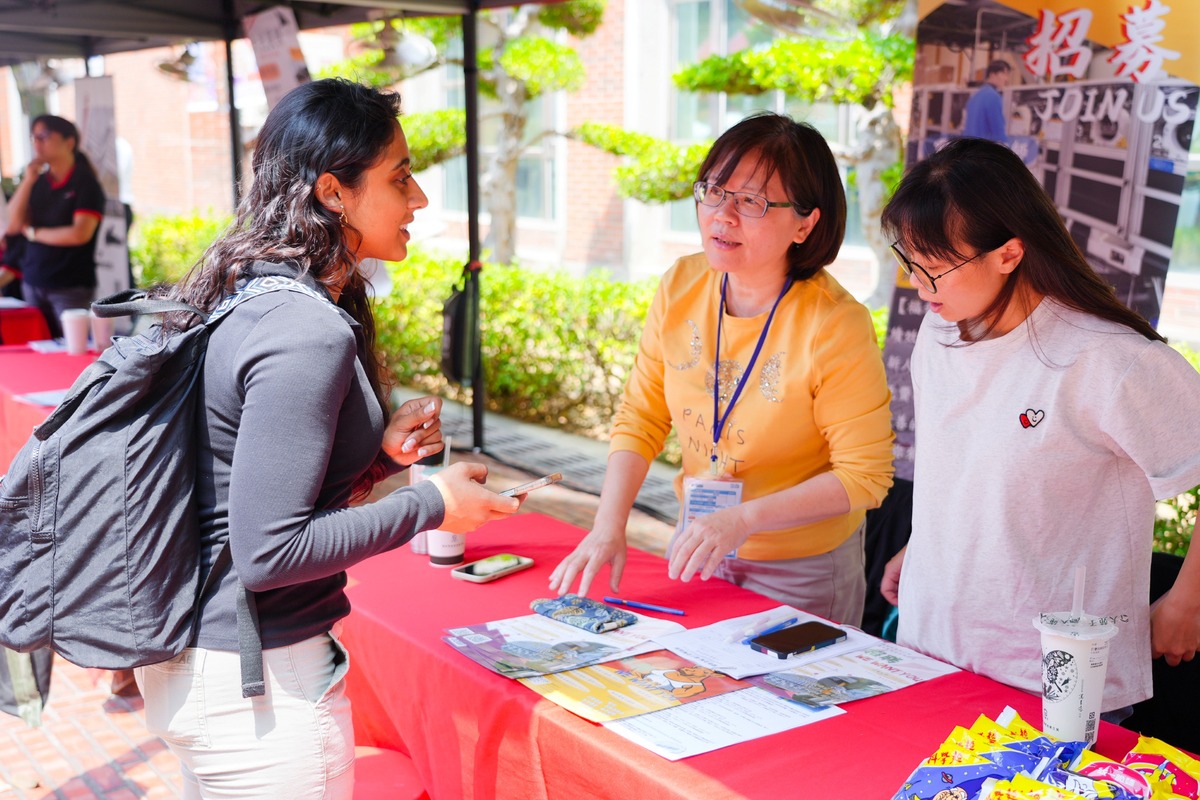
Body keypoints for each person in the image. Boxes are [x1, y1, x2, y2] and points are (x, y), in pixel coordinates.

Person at [132, 78, 520, 798]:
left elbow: (241, 477)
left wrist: (373, 455)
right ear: (334, 192)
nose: (420, 201)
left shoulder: (253, 289)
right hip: (258, 694)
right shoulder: (305, 328)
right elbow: (270, 551)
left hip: (213, 669)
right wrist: (432, 504)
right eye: (400, 178)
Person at [879, 137, 1200, 720]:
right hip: (934, 645)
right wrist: (920, 546)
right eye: (909, 262)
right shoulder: (939, 332)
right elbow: (962, 467)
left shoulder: (1106, 357)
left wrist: (1189, 600)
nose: (919, 287)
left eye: (935, 269)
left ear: (1008, 253)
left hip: (1055, 671)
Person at [549, 113, 894, 626]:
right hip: (703, 543)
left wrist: (745, 519)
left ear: (806, 222)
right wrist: (608, 524)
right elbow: (641, 417)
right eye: (713, 190)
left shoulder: (834, 323)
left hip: (802, 568)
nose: (721, 215)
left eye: (752, 201)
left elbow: (865, 477)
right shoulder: (681, 284)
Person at [3, 115, 105, 337]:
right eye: (34, 138)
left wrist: (34, 233)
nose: (37, 143)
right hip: (33, 281)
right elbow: (11, 225)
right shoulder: (37, 181)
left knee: (74, 349)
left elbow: (79, 234)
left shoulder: (85, 183)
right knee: (38, 350)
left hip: (70, 284)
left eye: (44, 136)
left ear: (69, 141)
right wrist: (28, 181)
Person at [962, 60, 1012, 144]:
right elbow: (997, 129)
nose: (1006, 79)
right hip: (983, 149)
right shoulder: (993, 96)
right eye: (1004, 74)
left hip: (968, 147)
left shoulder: (975, 96)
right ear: (992, 74)